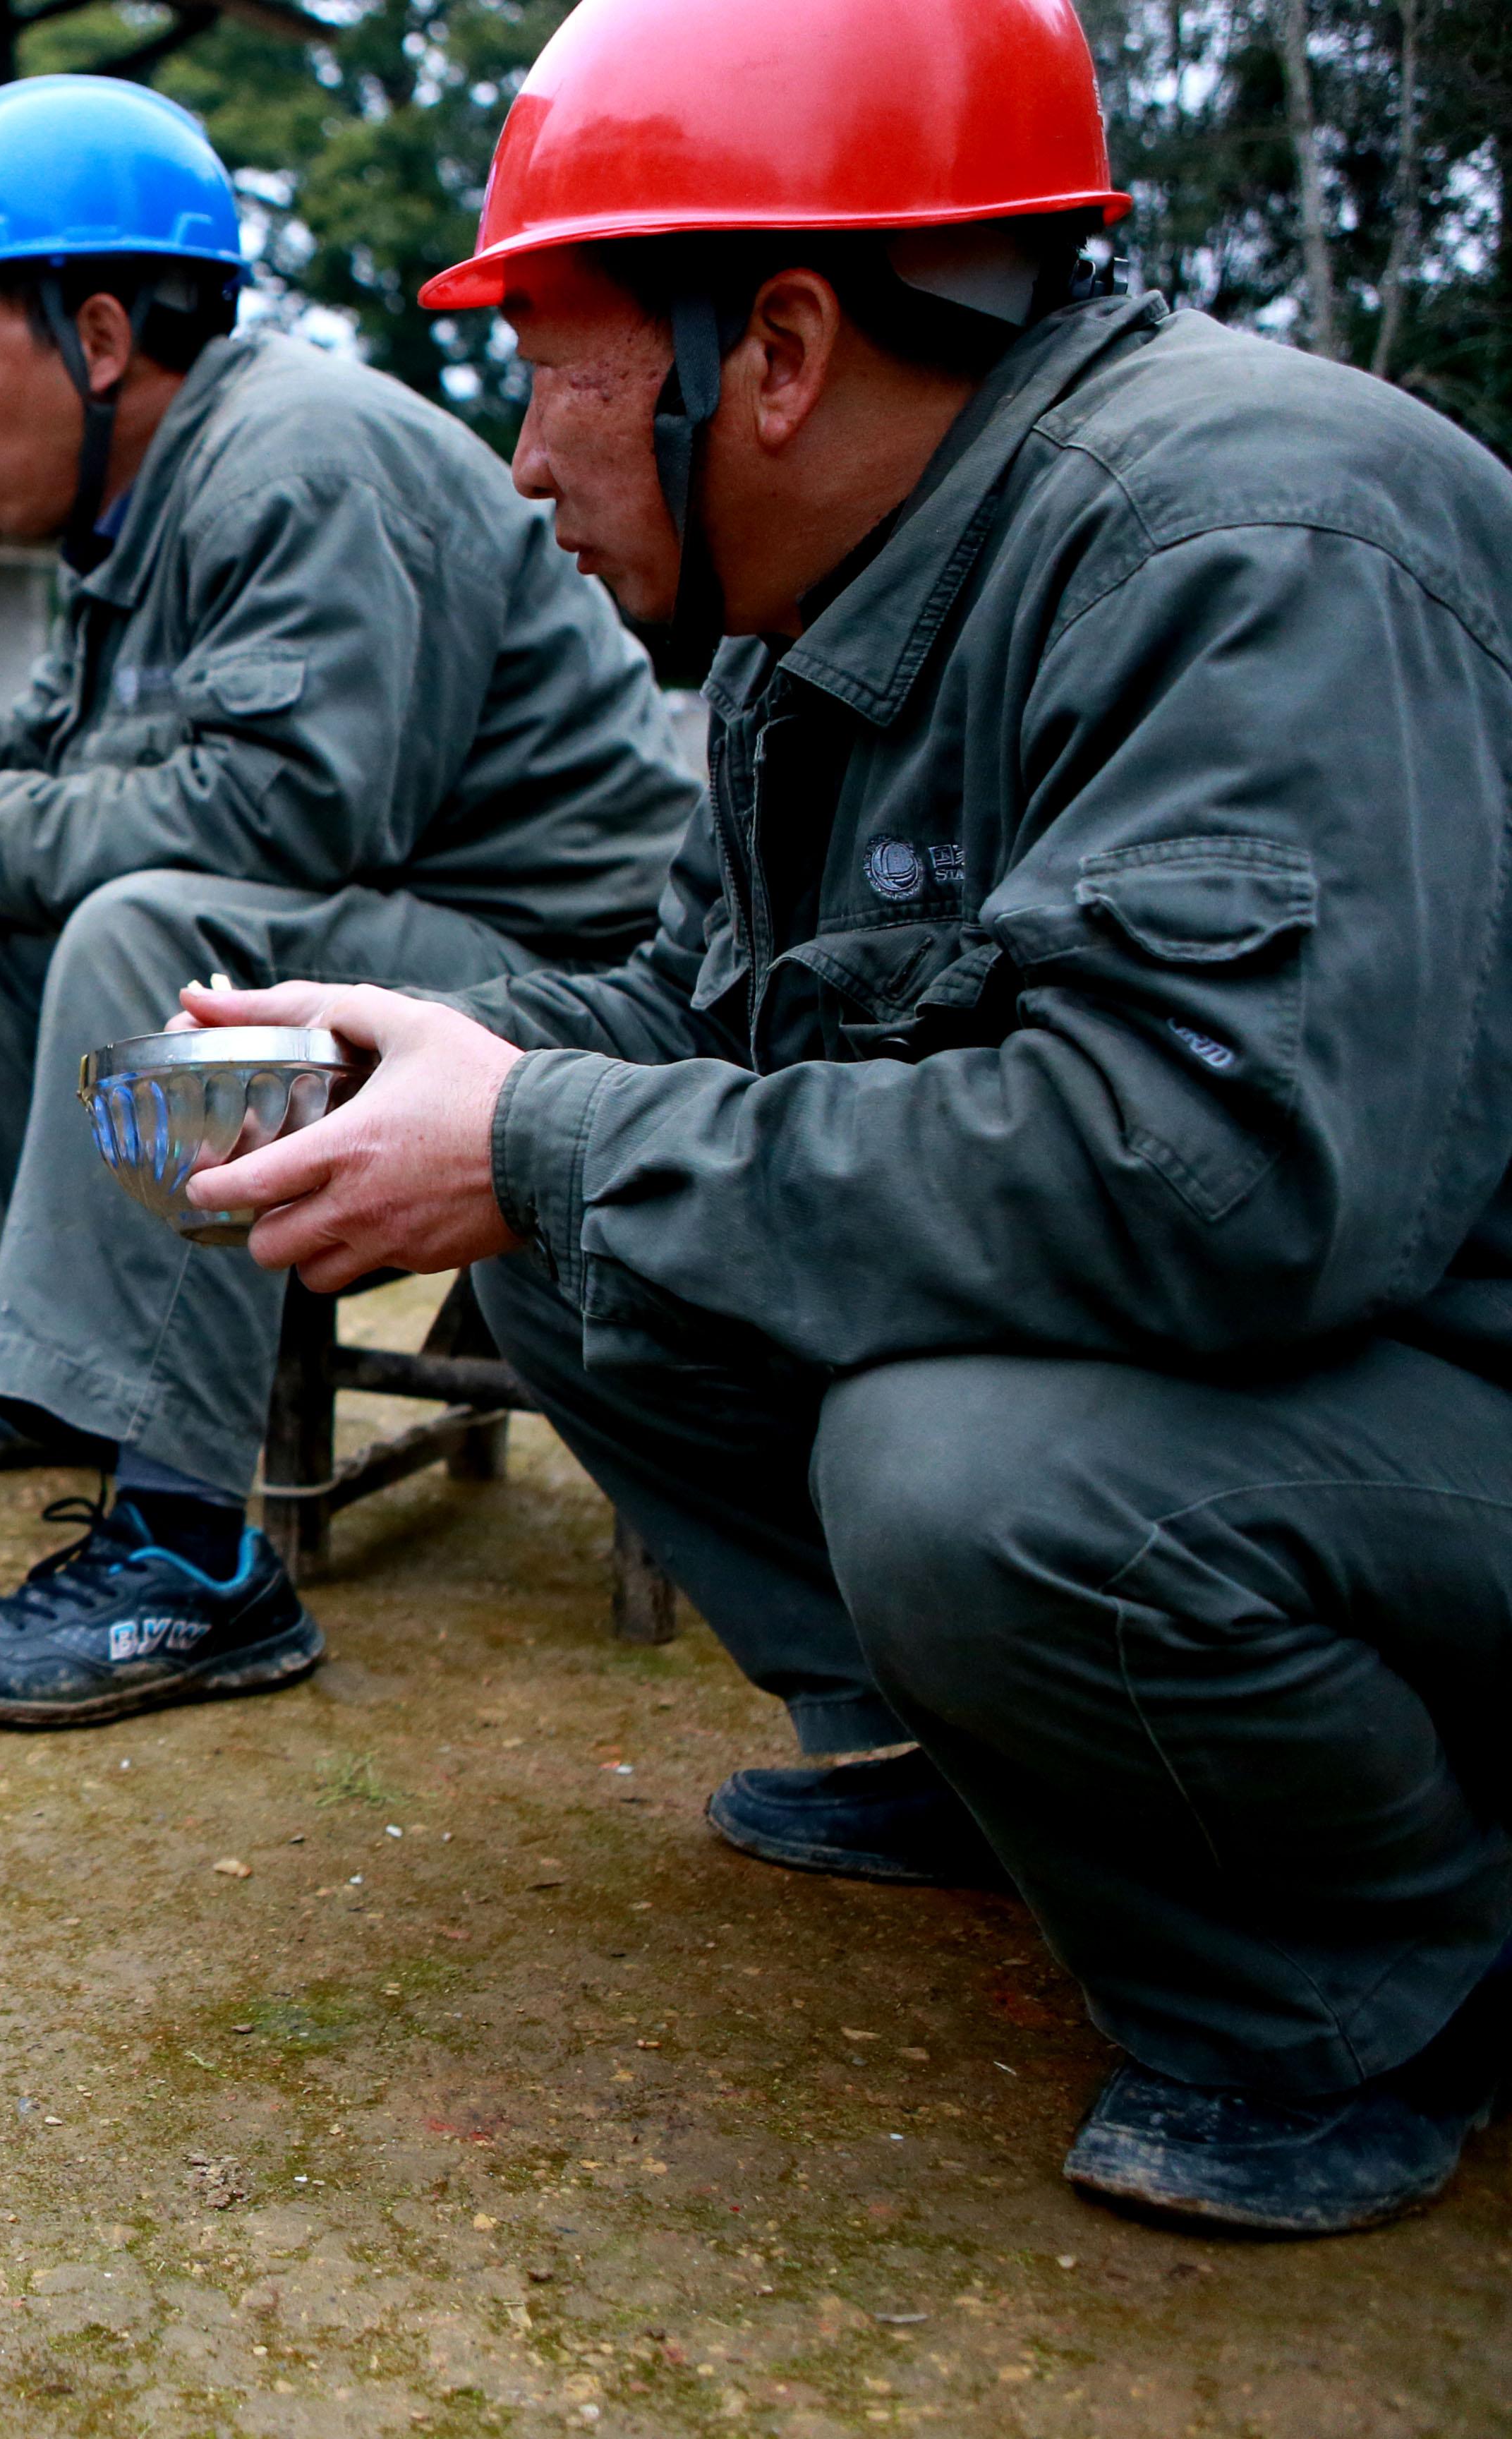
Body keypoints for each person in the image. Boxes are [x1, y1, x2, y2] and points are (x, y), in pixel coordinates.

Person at [180, 0, 1512, 2237]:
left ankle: (1367, 1975)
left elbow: (1222, 1180)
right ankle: (1023, 1775)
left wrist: (543, 1139)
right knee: (581, 1241)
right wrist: (425, 1066)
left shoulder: (1256, 538)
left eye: (553, 368)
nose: (523, 461)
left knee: (978, 1479)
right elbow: (705, 1021)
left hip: (1431, 1369)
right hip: (1324, 1373)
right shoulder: (824, 626)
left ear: (775, 348)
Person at [0, 76, 696, 1728]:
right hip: (397, 912)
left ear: (102, 334)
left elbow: (281, 810)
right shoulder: (135, 519)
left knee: (149, 932)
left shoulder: (298, 456)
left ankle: (194, 1560)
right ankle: (57, 1371)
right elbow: (80, 768)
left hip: (567, 973)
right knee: (6, 900)